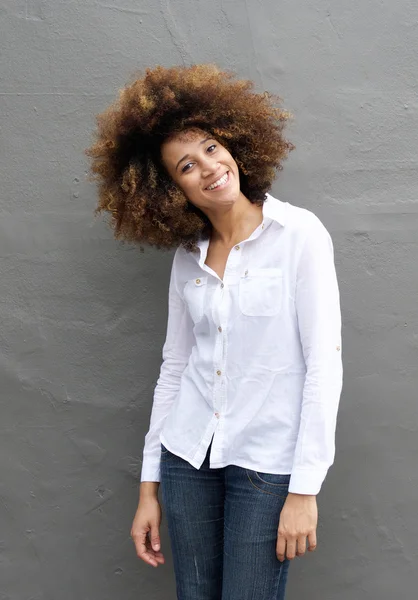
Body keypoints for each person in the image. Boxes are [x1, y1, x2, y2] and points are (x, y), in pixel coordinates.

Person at [85, 64, 343, 600]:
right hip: (188, 461)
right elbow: (175, 370)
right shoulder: (188, 258)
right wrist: (149, 489)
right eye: (186, 164)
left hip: (266, 466)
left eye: (210, 146)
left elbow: (324, 364)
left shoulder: (300, 235)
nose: (208, 166)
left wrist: (305, 490)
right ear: (167, 188)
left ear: (234, 143)